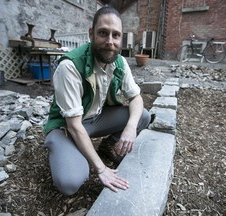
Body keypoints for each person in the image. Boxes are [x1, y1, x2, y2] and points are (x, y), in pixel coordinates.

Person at [43, 5, 151, 196]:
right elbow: (74, 126)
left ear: (121, 38)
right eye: (103, 33)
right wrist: (101, 169)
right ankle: (61, 148)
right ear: (91, 34)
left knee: (141, 116)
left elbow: (136, 97)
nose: (110, 41)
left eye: (115, 35)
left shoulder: (119, 61)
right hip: (66, 127)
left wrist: (130, 128)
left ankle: (108, 147)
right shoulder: (69, 67)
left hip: (94, 120)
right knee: (70, 182)